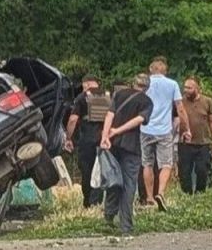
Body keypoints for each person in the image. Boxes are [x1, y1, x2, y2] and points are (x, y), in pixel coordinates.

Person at [100, 73, 154, 236]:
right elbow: (138, 120)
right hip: (132, 147)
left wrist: (105, 136)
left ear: (133, 83)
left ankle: (109, 218)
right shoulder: (147, 101)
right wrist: (119, 130)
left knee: (113, 181)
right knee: (129, 185)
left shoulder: (119, 94)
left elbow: (109, 115)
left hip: (113, 144)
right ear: (147, 88)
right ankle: (126, 227)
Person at [140, 57, 190, 211]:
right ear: (165, 71)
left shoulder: (144, 84)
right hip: (164, 130)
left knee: (147, 163)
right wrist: (186, 128)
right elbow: (180, 109)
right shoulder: (172, 84)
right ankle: (160, 193)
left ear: (151, 69)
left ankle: (149, 198)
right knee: (166, 164)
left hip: (145, 128)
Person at [64, 75, 107, 208]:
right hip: (103, 140)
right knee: (99, 171)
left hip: (86, 140)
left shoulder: (82, 97)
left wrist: (68, 138)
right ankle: (97, 202)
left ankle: (88, 202)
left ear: (86, 84)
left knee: (87, 171)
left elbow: (72, 120)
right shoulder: (107, 96)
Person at [178, 77, 212, 194]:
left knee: (202, 170)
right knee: (184, 171)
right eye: (185, 87)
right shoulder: (181, 101)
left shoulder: (207, 101)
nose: (186, 90)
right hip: (185, 142)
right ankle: (187, 194)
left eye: (189, 88)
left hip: (203, 142)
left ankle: (200, 193)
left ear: (197, 89)